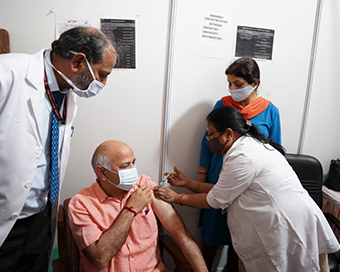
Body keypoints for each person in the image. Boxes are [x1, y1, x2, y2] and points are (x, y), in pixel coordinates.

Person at [155, 106, 340, 272]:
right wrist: (188, 183)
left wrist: (176, 198)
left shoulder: (243, 156)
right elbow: (227, 189)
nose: (208, 140)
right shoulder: (247, 147)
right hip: (282, 223)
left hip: (287, 228)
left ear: (228, 133)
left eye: (210, 134)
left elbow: (216, 200)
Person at [0, 26, 117, 272]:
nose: (104, 83)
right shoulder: (6, 73)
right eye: (102, 74)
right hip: (5, 217)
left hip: (41, 218)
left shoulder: (67, 92)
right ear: (78, 61)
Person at [68, 140, 208, 272]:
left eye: (133, 163)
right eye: (125, 166)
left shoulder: (144, 185)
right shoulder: (81, 204)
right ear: (102, 172)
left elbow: (181, 233)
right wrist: (130, 210)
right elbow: (100, 258)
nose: (133, 170)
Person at [198, 57, 281, 271]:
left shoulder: (270, 111)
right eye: (229, 83)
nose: (232, 89)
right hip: (218, 177)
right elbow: (206, 142)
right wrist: (199, 179)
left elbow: (275, 150)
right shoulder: (222, 105)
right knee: (210, 234)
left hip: (250, 185)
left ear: (254, 83)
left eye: (238, 84)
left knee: (242, 240)